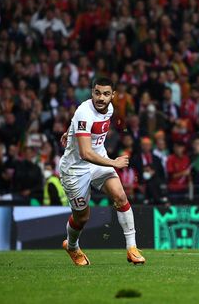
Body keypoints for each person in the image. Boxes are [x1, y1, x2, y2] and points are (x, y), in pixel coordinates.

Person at [59, 77, 145, 266]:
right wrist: (113, 162)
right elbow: (85, 152)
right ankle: (72, 246)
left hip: (98, 162)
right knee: (82, 217)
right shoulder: (84, 111)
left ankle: (132, 248)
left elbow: (79, 125)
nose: (101, 98)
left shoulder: (110, 109)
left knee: (120, 196)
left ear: (112, 95)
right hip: (74, 170)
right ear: (92, 93)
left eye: (106, 94)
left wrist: (69, 131)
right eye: (97, 93)